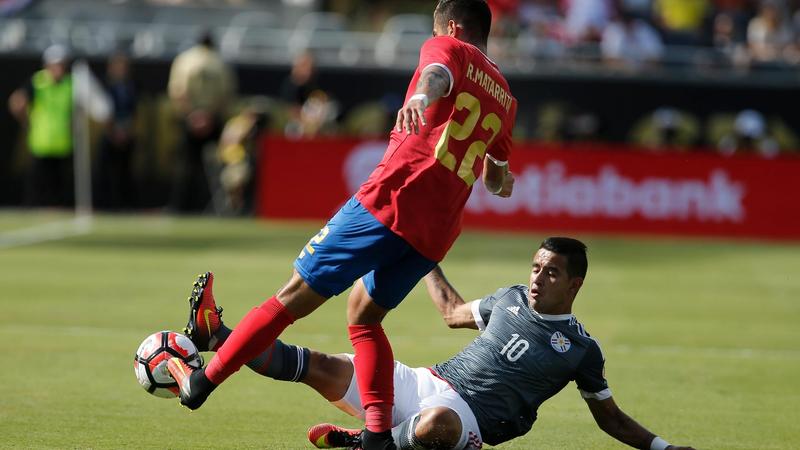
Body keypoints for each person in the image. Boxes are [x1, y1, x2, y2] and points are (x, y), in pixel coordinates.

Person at [166, 2, 517, 449]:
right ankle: (376, 437)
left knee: (293, 296)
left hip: (393, 198)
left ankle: (204, 380)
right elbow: (497, 175)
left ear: (451, 26)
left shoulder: (447, 47)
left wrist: (419, 98)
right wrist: (503, 180)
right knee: (365, 318)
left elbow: (436, 76)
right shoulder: (506, 96)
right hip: (437, 230)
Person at [171, 238, 695, 450]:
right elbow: (451, 311)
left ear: (575, 284)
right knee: (316, 366)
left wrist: (664, 448)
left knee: (438, 426)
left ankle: (361, 444)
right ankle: (218, 336)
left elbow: (610, 418)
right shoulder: (508, 299)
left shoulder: (582, 349)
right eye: (535, 267)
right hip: (425, 382)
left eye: (551, 272)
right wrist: (423, 258)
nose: (538, 278)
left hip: (467, 423)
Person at [167, 30, 236, 213]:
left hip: (190, 119)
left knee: (186, 165)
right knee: (218, 165)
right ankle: (217, 206)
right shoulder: (220, 62)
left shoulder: (184, 60)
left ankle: (180, 206)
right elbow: (227, 95)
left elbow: (177, 91)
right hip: (213, 121)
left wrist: (193, 115)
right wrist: (209, 117)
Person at [8, 44, 74, 207]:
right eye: (55, 64)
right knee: (38, 186)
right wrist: (26, 121)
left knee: (59, 188)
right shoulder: (37, 82)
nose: (58, 68)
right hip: (41, 142)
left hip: (63, 143)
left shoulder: (70, 83)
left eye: (61, 64)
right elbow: (16, 102)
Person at [95, 51, 137, 210]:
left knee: (125, 173)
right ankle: (104, 205)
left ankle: (125, 205)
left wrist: (126, 131)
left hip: (125, 133)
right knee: (105, 171)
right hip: (109, 133)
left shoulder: (131, 86)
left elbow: (133, 112)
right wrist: (112, 131)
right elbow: (103, 112)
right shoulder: (105, 85)